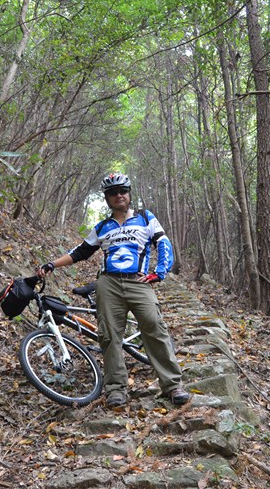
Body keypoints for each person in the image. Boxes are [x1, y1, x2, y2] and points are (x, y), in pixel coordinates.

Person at [36, 173, 191, 407]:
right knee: (108, 335)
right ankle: (116, 389)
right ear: (107, 198)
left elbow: (163, 243)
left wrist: (158, 273)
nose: (118, 195)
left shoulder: (145, 218)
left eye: (122, 191)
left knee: (155, 328)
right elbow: (80, 252)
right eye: (112, 193)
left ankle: (172, 385)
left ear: (129, 193)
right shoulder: (102, 227)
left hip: (139, 282)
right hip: (108, 283)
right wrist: (51, 264)